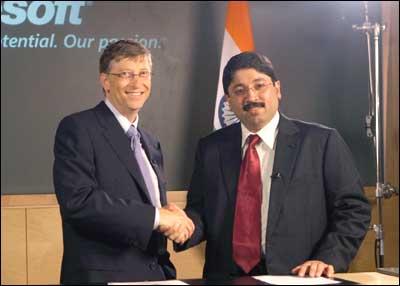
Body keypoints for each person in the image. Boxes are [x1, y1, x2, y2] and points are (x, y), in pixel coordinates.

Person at [175, 52, 371, 279]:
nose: (251, 96)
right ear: (228, 100)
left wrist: (328, 258)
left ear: (277, 89)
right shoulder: (210, 148)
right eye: (239, 90)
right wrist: (183, 226)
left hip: (299, 276)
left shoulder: (321, 142)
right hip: (226, 277)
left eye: (260, 85)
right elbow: (200, 211)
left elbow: (353, 209)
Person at [53, 40, 194, 284]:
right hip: (104, 278)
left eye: (143, 73)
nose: (137, 83)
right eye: (126, 74)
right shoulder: (78, 128)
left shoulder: (150, 143)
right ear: (106, 81)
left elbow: (149, 209)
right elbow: (80, 202)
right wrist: (158, 217)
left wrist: (172, 216)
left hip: (157, 276)